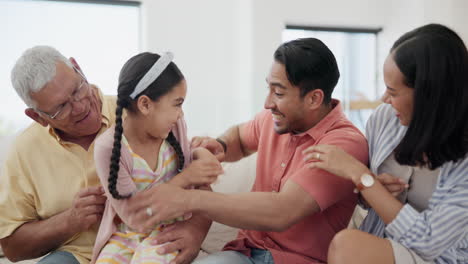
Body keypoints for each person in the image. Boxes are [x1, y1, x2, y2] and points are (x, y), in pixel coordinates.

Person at [117, 38, 369, 264]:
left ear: (314, 99)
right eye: (269, 88)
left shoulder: (344, 144)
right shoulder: (275, 120)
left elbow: (282, 211)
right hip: (244, 252)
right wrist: (221, 145)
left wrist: (188, 199)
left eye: (278, 92)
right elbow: (239, 136)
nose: (267, 102)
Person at [0, 46, 212, 264]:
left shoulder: (140, 112)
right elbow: (12, 247)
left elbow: (199, 181)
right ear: (38, 117)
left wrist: (195, 230)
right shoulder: (24, 151)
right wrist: (69, 221)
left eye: (77, 89)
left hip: (152, 237)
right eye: (61, 107)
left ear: (78, 68)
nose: (80, 107)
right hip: (78, 255)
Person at [303, 24, 468, 264]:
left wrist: (360, 175)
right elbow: (366, 194)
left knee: (346, 245)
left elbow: (429, 241)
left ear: (428, 95)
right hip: (382, 246)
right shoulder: (384, 119)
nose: (384, 99)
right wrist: (367, 190)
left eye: (393, 91)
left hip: (439, 258)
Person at [92, 52, 222, 264]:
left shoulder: (175, 127)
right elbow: (136, 218)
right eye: (177, 104)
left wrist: (202, 154)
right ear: (145, 105)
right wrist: (185, 178)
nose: (181, 113)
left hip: (169, 229)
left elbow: (188, 160)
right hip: (128, 234)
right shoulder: (108, 148)